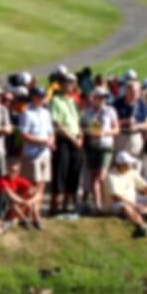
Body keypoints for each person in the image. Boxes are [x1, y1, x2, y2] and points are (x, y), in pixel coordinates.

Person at [48, 76, 82, 215]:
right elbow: (57, 124)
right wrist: (73, 138)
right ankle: (55, 207)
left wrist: (80, 136)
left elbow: (77, 121)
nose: (70, 85)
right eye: (67, 83)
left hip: (75, 140)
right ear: (61, 85)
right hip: (64, 140)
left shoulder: (73, 101)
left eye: (72, 83)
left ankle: (67, 206)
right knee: (60, 174)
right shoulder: (56, 100)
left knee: (73, 173)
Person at [82, 87, 119, 211]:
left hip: (106, 146)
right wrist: (89, 132)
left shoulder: (110, 111)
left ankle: (104, 202)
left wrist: (104, 132)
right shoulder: (87, 112)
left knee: (102, 176)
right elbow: (82, 128)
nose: (102, 99)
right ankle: (97, 205)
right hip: (93, 146)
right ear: (94, 98)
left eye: (104, 97)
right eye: (100, 97)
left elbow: (116, 129)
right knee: (93, 176)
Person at [20, 87, 57, 207]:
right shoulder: (27, 113)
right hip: (32, 154)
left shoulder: (46, 113)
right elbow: (24, 135)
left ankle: (37, 211)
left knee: (42, 184)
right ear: (33, 97)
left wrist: (51, 141)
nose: (42, 99)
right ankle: (30, 211)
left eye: (43, 97)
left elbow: (50, 131)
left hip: (45, 153)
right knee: (32, 185)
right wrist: (42, 142)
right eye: (39, 97)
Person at [0, 158, 43, 229]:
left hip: (10, 209)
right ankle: (24, 221)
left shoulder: (19, 179)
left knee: (30, 192)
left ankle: (36, 219)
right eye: (10, 170)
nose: (13, 172)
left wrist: (30, 201)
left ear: (19, 171)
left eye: (15, 171)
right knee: (9, 198)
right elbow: (11, 195)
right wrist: (25, 202)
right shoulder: (2, 181)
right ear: (7, 169)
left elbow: (38, 193)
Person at [104, 152, 147, 238]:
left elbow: (145, 188)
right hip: (116, 204)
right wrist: (135, 205)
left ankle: (145, 212)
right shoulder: (111, 176)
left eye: (129, 164)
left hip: (133, 201)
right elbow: (116, 197)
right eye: (127, 164)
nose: (129, 166)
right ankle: (142, 226)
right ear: (119, 164)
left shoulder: (132, 172)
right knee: (126, 207)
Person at [114, 78, 147, 160]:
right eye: (133, 91)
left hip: (136, 138)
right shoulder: (117, 104)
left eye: (137, 91)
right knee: (121, 165)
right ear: (126, 91)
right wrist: (125, 121)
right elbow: (110, 124)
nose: (135, 93)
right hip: (121, 138)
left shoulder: (141, 104)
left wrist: (138, 126)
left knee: (136, 166)